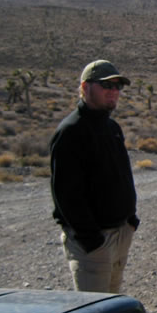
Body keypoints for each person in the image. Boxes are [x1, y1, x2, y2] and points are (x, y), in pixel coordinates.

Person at [50, 60, 139, 293]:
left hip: (119, 234)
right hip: (95, 241)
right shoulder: (72, 131)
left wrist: (130, 220)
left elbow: (122, 176)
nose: (113, 92)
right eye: (106, 85)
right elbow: (66, 193)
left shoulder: (112, 128)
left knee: (112, 305)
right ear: (85, 87)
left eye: (118, 87)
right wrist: (91, 240)